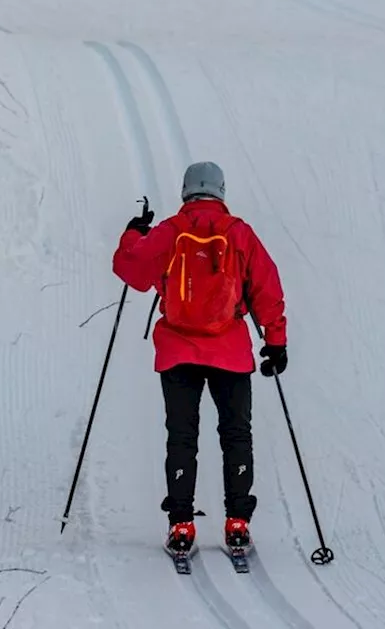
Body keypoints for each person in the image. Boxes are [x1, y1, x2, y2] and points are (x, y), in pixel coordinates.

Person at [111, 161, 288, 555]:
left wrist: (132, 234)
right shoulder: (239, 232)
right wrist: (276, 342)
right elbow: (267, 286)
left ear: (186, 191)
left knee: (182, 437)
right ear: (221, 191)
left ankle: (182, 525)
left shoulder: (172, 231)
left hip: (177, 351)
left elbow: (131, 270)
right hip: (231, 350)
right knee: (237, 435)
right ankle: (238, 523)